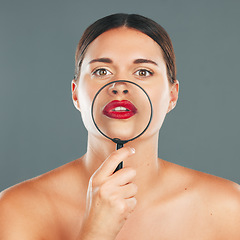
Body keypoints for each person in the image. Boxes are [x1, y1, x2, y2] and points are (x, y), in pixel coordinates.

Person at [0, 13, 240, 240]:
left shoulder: (229, 207)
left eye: (143, 72)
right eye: (102, 71)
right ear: (75, 94)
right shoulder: (15, 208)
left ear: (172, 95)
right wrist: (94, 233)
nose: (119, 87)